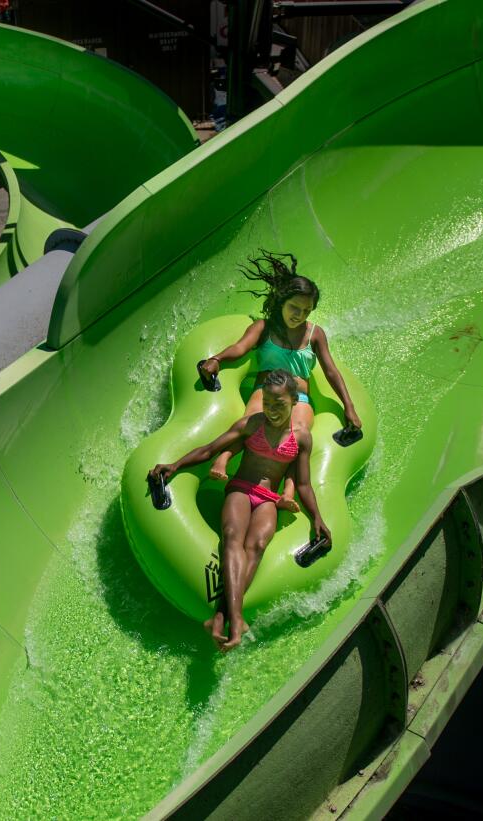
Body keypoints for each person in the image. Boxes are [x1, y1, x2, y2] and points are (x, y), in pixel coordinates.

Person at [149, 370, 331, 651]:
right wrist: (175, 465)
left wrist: (317, 518)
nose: (272, 410)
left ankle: (220, 616)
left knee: (257, 544)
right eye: (268, 403)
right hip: (241, 488)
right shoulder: (251, 424)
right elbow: (210, 449)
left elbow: (304, 484)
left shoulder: (302, 438)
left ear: (294, 402)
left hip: (268, 498)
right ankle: (236, 619)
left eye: (279, 404)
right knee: (232, 536)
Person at [197, 251, 361, 512]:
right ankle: (224, 459)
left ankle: (282, 494)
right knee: (254, 422)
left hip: (300, 399)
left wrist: (349, 407)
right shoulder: (264, 328)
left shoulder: (314, 334)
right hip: (266, 391)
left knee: (295, 435)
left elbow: (330, 371)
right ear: (282, 300)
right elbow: (240, 348)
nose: (299, 314)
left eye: (306, 310)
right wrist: (216, 359)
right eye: (294, 307)